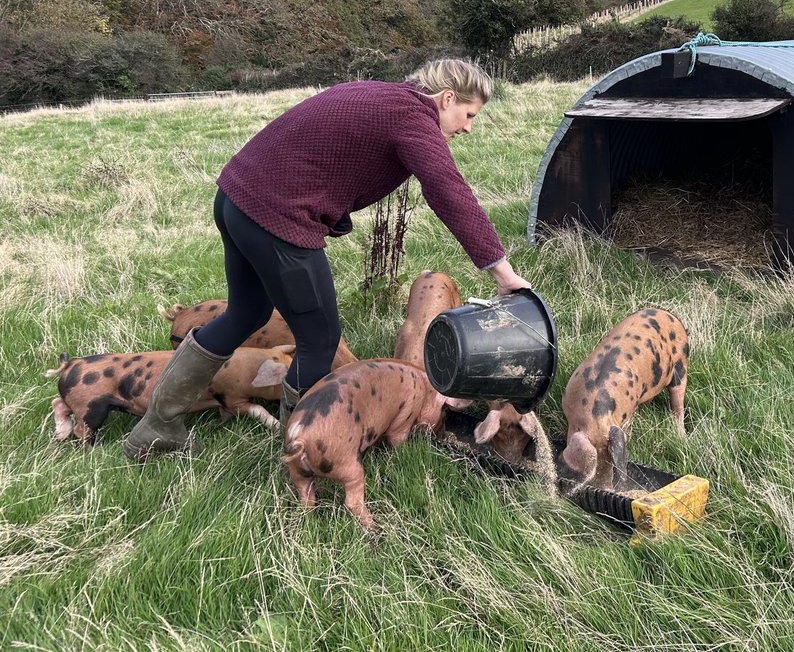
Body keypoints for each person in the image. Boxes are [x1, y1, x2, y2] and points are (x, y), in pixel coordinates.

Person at [124, 59, 531, 461]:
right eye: (468, 114)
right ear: (446, 98)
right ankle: (300, 452)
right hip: (275, 218)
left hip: (235, 198)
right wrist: (502, 271)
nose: (467, 127)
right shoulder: (413, 117)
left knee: (244, 315)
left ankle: (156, 428)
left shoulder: (379, 94)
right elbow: (450, 192)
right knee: (319, 339)